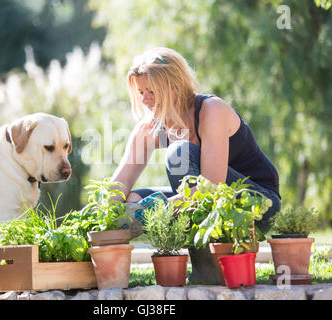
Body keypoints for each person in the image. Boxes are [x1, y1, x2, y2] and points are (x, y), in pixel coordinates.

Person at [110, 47, 281, 284]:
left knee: (179, 153)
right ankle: (204, 265)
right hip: (202, 196)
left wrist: (158, 209)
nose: (144, 100)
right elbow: (119, 183)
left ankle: (208, 268)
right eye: (140, 92)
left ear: (175, 88)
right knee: (132, 200)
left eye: (151, 91)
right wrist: (103, 215)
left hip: (257, 202)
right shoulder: (148, 129)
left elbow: (211, 188)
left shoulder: (211, 111)